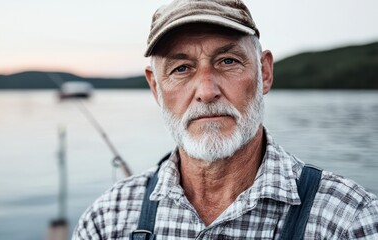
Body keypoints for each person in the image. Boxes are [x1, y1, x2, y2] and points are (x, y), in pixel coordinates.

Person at [72, 0, 378, 239]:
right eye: (181, 68)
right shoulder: (108, 221)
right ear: (156, 87)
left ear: (264, 73)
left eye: (228, 61)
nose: (206, 91)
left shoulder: (350, 220)